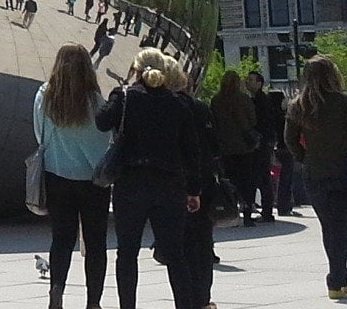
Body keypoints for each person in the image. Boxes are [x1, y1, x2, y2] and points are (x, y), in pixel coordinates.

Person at [96, 48, 200, 309]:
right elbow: (191, 151)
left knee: (127, 253)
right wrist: (194, 190)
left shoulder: (126, 97)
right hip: (169, 185)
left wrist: (119, 91)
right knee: (176, 255)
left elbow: (101, 121)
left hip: (131, 183)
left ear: (137, 70)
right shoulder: (179, 103)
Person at [33, 44, 112, 309]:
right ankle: (93, 302)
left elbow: (39, 134)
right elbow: (101, 144)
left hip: (56, 176)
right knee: (95, 243)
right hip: (91, 183)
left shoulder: (44, 94)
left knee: (61, 239)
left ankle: (57, 289)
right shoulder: (94, 101)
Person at [285, 55, 347, 298]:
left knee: (331, 227)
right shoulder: (342, 102)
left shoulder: (298, 105)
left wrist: (305, 158)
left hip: (315, 173)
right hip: (343, 169)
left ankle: (335, 280)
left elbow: (290, 141)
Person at [164, 58, 217, 309]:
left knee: (179, 248)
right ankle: (203, 299)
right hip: (202, 183)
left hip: (174, 185)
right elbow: (213, 147)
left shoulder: (164, 109)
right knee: (203, 245)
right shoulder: (201, 108)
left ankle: (185, 301)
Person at [211, 70, 258, 228]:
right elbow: (253, 119)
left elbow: (214, 124)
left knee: (229, 181)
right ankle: (247, 212)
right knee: (246, 181)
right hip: (245, 147)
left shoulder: (216, 100)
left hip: (226, 148)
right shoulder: (243, 99)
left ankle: (232, 210)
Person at [246, 70, 279, 222]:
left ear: (259, 83)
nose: (247, 82)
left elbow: (263, 122)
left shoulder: (260, 100)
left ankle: (266, 211)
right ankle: (265, 210)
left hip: (262, 143)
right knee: (262, 177)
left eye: (251, 80)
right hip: (264, 142)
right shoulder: (257, 99)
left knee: (262, 177)